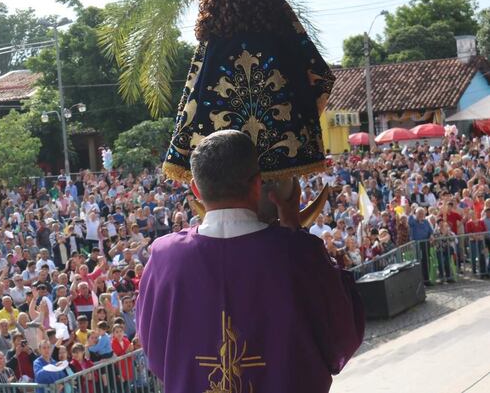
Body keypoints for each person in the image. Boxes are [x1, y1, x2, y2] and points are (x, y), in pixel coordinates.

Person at [137, 131, 364, 392]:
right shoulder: (298, 253)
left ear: (196, 189)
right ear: (257, 183)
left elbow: (155, 353)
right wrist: (295, 235)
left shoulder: (164, 258)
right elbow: (341, 334)